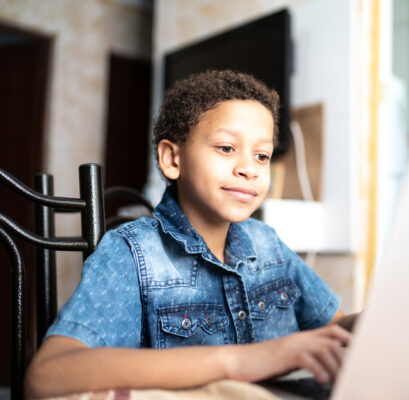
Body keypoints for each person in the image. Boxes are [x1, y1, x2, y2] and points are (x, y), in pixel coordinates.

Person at [25, 70, 357, 398]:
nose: (249, 168)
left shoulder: (267, 243)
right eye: (227, 148)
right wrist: (238, 361)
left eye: (262, 155)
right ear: (172, 158)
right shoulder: (132, 252)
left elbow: (333, 329)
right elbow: (46, 375)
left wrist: (378, 321)